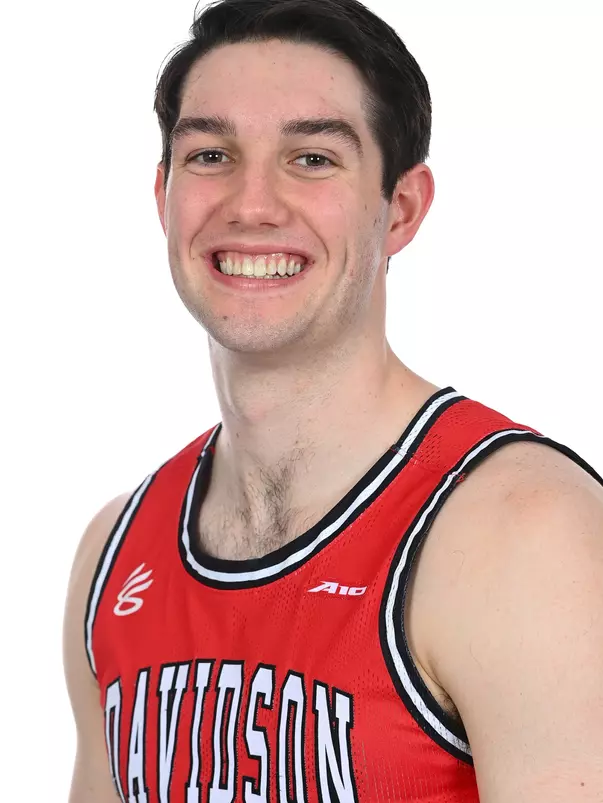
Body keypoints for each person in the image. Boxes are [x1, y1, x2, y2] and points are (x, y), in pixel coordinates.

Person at [63, 0, 603, 800]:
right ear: (162, 194)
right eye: (211, 154)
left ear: (401, 209)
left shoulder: (522, 533)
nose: (251, 204)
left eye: (311, 159)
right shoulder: (113, 553)